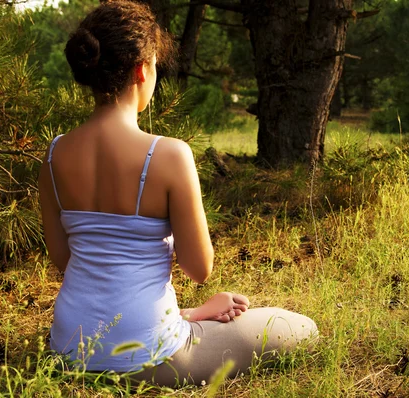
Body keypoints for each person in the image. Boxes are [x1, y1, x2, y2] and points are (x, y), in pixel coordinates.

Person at [38, 0, 317, 387]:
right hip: (154, 357)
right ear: (141, 69)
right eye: (155, 65)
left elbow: (64, 260)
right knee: (300, 327)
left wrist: (192, 312)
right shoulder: (168, 155)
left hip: (68, 350)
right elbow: (199, 268)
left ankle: (179, 319)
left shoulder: (53, 155)